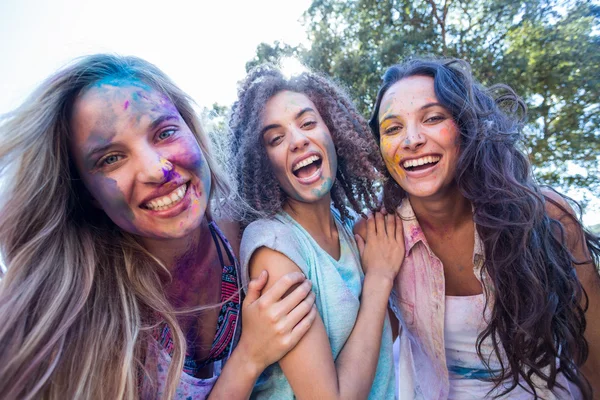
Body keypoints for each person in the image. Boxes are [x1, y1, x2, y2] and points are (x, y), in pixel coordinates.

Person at [0, 54, 319, 399]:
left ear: (192, 131)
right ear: (86, 193)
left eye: (165, 132)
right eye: (111, 158)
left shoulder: (252, 236)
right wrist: (249, 358)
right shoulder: (73, 316)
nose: (156, 169)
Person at [366, 58, 600, 399]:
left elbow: (592, 348)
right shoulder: (378, 235)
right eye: (392, 128)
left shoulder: (546, 216)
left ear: (466, 128)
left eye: (432, 118)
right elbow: (375, 359)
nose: (412, 139)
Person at [228, 65, 403, 399]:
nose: (298, 140)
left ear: (332, 134)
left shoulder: (348, 228)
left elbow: (381, 340)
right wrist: (380, 278)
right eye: (276, 138)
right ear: (263, 161)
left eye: (308, 123)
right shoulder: (274, 246)